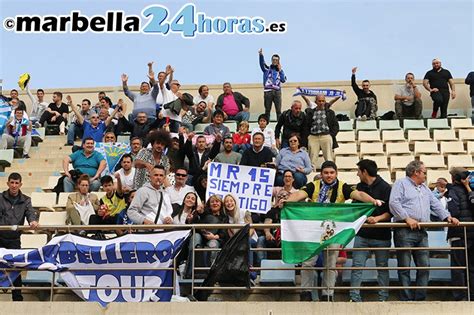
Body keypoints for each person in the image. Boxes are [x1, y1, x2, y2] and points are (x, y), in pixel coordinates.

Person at [286, 160, 383, 302]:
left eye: (332, 173)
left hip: (334, 231)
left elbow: (360, 195)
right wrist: (287, 201)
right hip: (313, 231)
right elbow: (299, 195)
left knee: (330, 264)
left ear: (336, 173)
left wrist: (372, 201)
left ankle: (328, 294)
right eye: (326, 173)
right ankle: (306, 292)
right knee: (307, 262)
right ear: (321, 174)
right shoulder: (314, 185)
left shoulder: (343, 187)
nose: (329, 175)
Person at [389, 160, 459, 301]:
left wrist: (447, 217)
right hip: (404, 230)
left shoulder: (425, 188)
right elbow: (393, 202)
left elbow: (435, 204)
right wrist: (406, 218)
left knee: (424, 266)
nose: (426, 175)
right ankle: (406, 299)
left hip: (422, 230)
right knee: (404, 267)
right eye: (424, 172)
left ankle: (420, 298)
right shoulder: (400, 184)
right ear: (416, 172)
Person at [349, 159, 392, 302]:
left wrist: (377, 219)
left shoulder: (386, 187)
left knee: (382, 267)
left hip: (382, 236)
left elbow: (390, 212)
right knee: (357, 266)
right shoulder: (359, 187)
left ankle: (383, 298)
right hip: (362, 234)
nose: (357, 174)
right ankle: (354, 297)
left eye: (358, 171)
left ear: (364, 172)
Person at [0, 172, 38, 301]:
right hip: (0, 237)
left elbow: (30, 213)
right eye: (12, 182)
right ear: (8, 183)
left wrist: (33, 221)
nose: (14, 185)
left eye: (17, 183)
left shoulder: (26, 199)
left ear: (20, 184)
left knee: (16, 268)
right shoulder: (0, 197)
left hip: (14, 239)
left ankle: (17, 298)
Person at [446, 168, 474, 301]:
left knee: (458, 267)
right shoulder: (470, 190)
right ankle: (472, 296)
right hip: (472, 234)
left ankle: (460, 297)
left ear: (454, 179)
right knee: (471, 267)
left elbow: (454, 211)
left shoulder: (453, 191)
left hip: (459, 233)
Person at [223, 193, 264, 267]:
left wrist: (244, 238)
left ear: (235, 202)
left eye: (231, 201)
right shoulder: (227, 218)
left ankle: (249, 268)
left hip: (250, 239)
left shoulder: (244, 212)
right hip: (237, 241)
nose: (229, 203)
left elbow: (251, 228)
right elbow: (231, 234)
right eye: (227, 202)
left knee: (246, 242)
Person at [191, 195, 227, 265]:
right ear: (209, 204)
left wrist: (214, 237)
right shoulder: (203, 214)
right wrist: (198, 213)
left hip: (216, 239)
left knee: (213, 243)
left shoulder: (224, 217)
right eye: (212, 202)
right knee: (196, 237)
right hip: (202, 238)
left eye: (217, 201)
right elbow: (196, 226)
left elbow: (224, 233)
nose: (215, 203)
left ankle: (209, 271)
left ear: (221, 204)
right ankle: (190, 270)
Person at [304, 94, 339, 163]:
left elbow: (336, 126)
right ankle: (311, 173)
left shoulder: (330, 112)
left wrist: (331, 135)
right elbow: (306, 126)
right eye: (319, 101)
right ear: (316, 102)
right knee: (312, 159)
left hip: (326, 136)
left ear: (325, 101)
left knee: (329, 158)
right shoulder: (311, 112)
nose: (321, 102)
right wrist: (308, 136)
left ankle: (330, 172)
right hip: (313, 137)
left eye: (323, 101)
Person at [258, 48, 287, 120]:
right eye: (273, 59)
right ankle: (266, 126)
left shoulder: (280, 71)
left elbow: (283, 80)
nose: (275, 61)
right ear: (271, 60)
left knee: (278, 110)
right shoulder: (267, 69)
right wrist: (261, 55)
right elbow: (262, 64)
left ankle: (279, 127)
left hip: (277, 92)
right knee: (267, 110)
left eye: (276, 60)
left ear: (278, 61)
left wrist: (280, 70)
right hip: (268, 92)